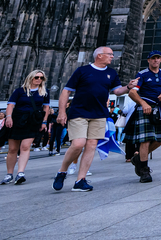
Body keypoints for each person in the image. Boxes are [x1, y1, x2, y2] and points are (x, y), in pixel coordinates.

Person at [53, 47, 129, 192]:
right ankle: (62, 171)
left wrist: (128, 87)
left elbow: (117, 90)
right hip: (79, 112)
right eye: (110, 54)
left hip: (99, 114)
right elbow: (66, 90)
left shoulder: (111, 73)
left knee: (91, 146)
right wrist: (62, 112)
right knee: (78, 144)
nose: (112, 57)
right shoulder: (83, 71)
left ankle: (80, 180)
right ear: (99, 56)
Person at [128, 51, 161, 182]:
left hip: (159, 109)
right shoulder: (142, 74)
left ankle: (139, 158)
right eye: (153, 58)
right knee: (146, 139)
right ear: (148, 60)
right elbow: (132, 92)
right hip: (145, 109)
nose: (155, 60)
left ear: (160, 60)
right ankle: (144, 171)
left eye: (158, 58)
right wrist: (143, 103)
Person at [1, 70, 52, 185]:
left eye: (42, 78)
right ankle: (9, 174)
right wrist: (8, 117)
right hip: (18, 120)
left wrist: (44, 122)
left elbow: (46, 108)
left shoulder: (44, 92)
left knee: (25, 147)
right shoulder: (19, 91)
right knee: (13, 149)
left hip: (33, 121)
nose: (39, 80)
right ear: (31, 78)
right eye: (37, 77)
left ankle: (20, 173)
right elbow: (10, 105)